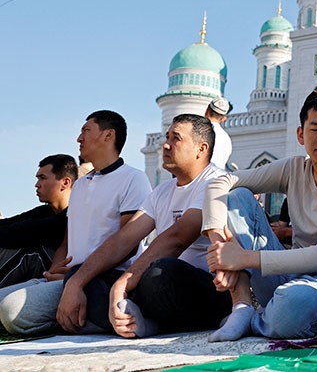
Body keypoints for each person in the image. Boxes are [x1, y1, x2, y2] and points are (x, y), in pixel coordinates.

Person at [202, 89, 317, 342]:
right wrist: (220, 248)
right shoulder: (293, 168)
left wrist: (242, 258)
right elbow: (220, 182)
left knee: (291, 307)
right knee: (236, 197)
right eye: (316, 129)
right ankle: (241, 306)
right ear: (301, 134)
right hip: (289, 272)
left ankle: (258, 319)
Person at [57, 114, 230, 337]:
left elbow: (176, 239)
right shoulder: (162, 192)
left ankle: (134, 321)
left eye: (175, 138)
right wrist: (76, 282)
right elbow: (124, 238)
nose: (165, 145)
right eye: (166, 137)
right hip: (158, 289)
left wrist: (122, 284)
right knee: (82, 275)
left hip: (205, 287)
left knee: (160, 273)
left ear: (201, 148)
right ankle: (132, 321)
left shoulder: (215, 182)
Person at [0, 110, 150, 335]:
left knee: (10, 311)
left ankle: (81, 317)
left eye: (86, 131)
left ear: (108, 136)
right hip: (69, 278)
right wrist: (54, 272)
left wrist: (77, 279)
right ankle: (75, 316)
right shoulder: (79, 186)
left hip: (101, 280)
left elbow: (126, 246)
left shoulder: (133, 178)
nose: (79, 139)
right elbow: (67, 242)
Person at [0, 155, 77, 288]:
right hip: (45, 272)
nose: (37, 184)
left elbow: (19, 232)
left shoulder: (74, 214)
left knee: (31, 252)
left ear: (65, 183)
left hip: (64, 276)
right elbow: (10, 224)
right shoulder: (44, 211)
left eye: (43, 178)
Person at [205, 97, 233, 170]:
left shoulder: (198, 130)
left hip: (198, 179)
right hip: (218, 179)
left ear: (207, 111)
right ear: (223, 119)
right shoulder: (227, 139)